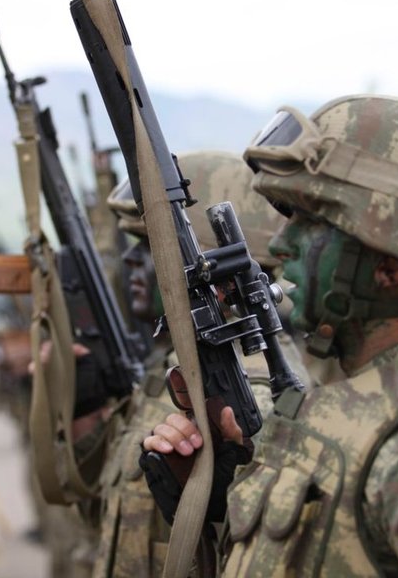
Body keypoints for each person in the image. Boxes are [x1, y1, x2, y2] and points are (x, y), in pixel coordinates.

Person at [143, 94, 398, 576]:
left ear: (392, 264)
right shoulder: (354, 411)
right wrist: (220, 502)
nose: (283, 243)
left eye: (313, 222)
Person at [76, 150, 310, 578]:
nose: (131, 260)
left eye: (149, 245)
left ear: (213, 271)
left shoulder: (251, 392)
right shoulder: (179, 373)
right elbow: (105, 518)